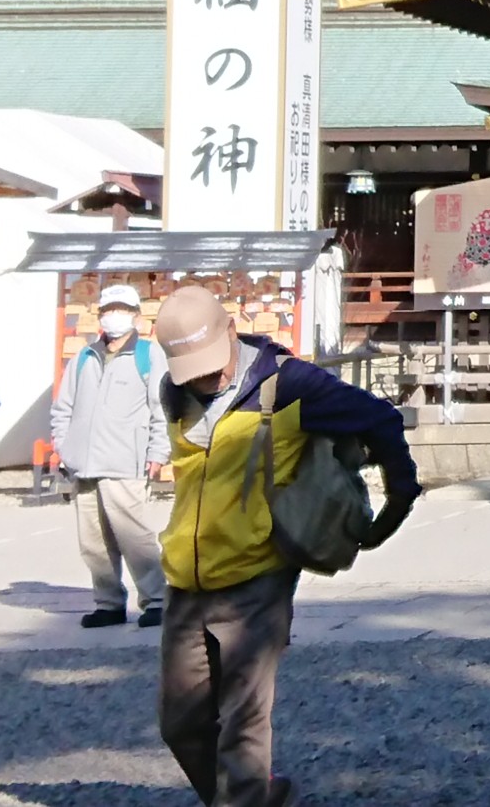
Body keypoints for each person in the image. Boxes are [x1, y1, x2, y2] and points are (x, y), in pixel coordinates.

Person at [152, 284, 418, 807]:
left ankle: (246, 799)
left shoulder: (290, 383)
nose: (206, 379)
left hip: (260, 574)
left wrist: (398, 501)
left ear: (232, 331)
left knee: (244, 722)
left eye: (211, 364)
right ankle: (255, 797)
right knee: (179, 722)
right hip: (188, 577)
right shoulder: (174, 389)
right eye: (193, 370)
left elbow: (380, 419)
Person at [51, 285, 169, 628]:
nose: (112, 315)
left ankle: (157, 600)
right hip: (83, 463)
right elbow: (63, 407)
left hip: (125, 462)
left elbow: (160, 407)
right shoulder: (84, 356)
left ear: (135, 315)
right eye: (108, 309)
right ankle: (108, 602)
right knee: (92, 541)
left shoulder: (149, 355)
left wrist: (158, 451)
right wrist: (64, 446)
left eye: (121, 309)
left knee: (134, 537)